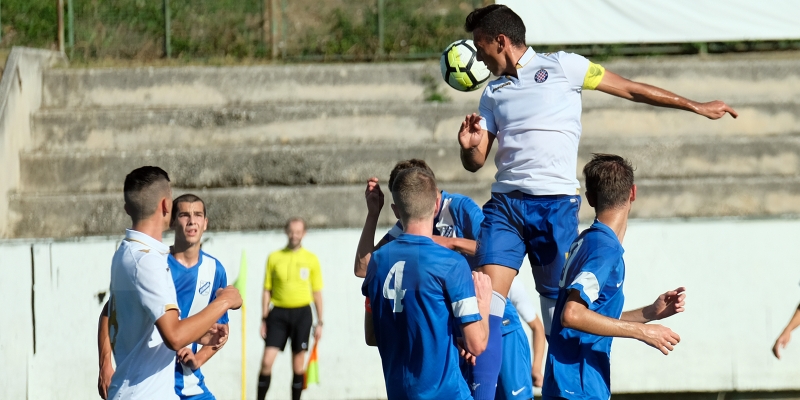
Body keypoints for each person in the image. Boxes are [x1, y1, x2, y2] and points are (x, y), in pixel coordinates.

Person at [457, 5, 734, 397]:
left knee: (564, 318)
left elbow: (631, 89)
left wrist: (695, 105)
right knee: (487, 298)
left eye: (480, 44)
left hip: (554, 208)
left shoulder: (564, 66)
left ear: (500, 40)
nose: (478, 54)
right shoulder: (493, 93)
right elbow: (476, 162)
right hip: (505, 206)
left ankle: (566, 390)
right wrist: (468, 148)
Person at [353, 159, 537, 397]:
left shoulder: (458, 207)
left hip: (494, 321)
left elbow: (495, 250)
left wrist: (451, 242)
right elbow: (363, 268)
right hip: (458, 329)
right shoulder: (407, 236)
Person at [542, 154, 686, 400]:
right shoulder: (604, 249)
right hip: (579, 385)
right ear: (633, 193)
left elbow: (592, 316)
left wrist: (649, 313)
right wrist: (643, 333)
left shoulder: (588, 241)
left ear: (589, 199)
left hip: (568, 383)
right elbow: (572, 314)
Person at [99, 166, 241, 400]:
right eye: (184, 213)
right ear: (167, 207)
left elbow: (143, 327)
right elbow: (173, 336)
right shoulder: (149, 262)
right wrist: (224, 301)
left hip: (152, 390)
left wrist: (202, 337)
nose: (191, 221)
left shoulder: (126, 252)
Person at [362, 166, 492, 400]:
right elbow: (477, 344)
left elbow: (372, 336)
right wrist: (482, 301)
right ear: (434, 206)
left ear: (396, 211)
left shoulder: (379, 261)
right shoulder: (451, 263)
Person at [258, 218, 324, 400]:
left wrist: (320, 322)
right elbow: (267, 290)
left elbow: (317, 293)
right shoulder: (274, 257)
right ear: (286, 231)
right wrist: (264, 318)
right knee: (266, 361)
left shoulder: (311, 259)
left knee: (297, 366)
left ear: (304, 233)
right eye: (291, 231)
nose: (294, 235)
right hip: (278, 314)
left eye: (298, 232)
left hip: (302, 314)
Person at [497, 279, 546, 400]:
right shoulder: (461, 276)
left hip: (509, 358)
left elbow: (537, 327)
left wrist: (536, 368)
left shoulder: (512, 284)